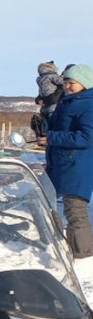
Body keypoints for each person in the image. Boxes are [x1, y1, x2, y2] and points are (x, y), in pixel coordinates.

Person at [41, 64, 93, 259]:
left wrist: (52, 138)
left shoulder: (88, 104)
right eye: (66, 82)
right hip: (61, 163)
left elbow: (87, 137)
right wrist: (44, 129)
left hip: (77, 165)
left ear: (84, 83)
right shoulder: (67, 101)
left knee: (75, 210)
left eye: (72, 83)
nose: (67, 86)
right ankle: (61, 244)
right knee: (46, 202)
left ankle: (83, 254)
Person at [34, 61, 63, 137]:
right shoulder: (52, 76)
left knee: (46, 125)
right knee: (54, 124)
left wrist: (39, 99)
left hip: (44, 105)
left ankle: (46, 136)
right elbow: (63, 82)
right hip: (54, 104)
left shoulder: (39, 79)